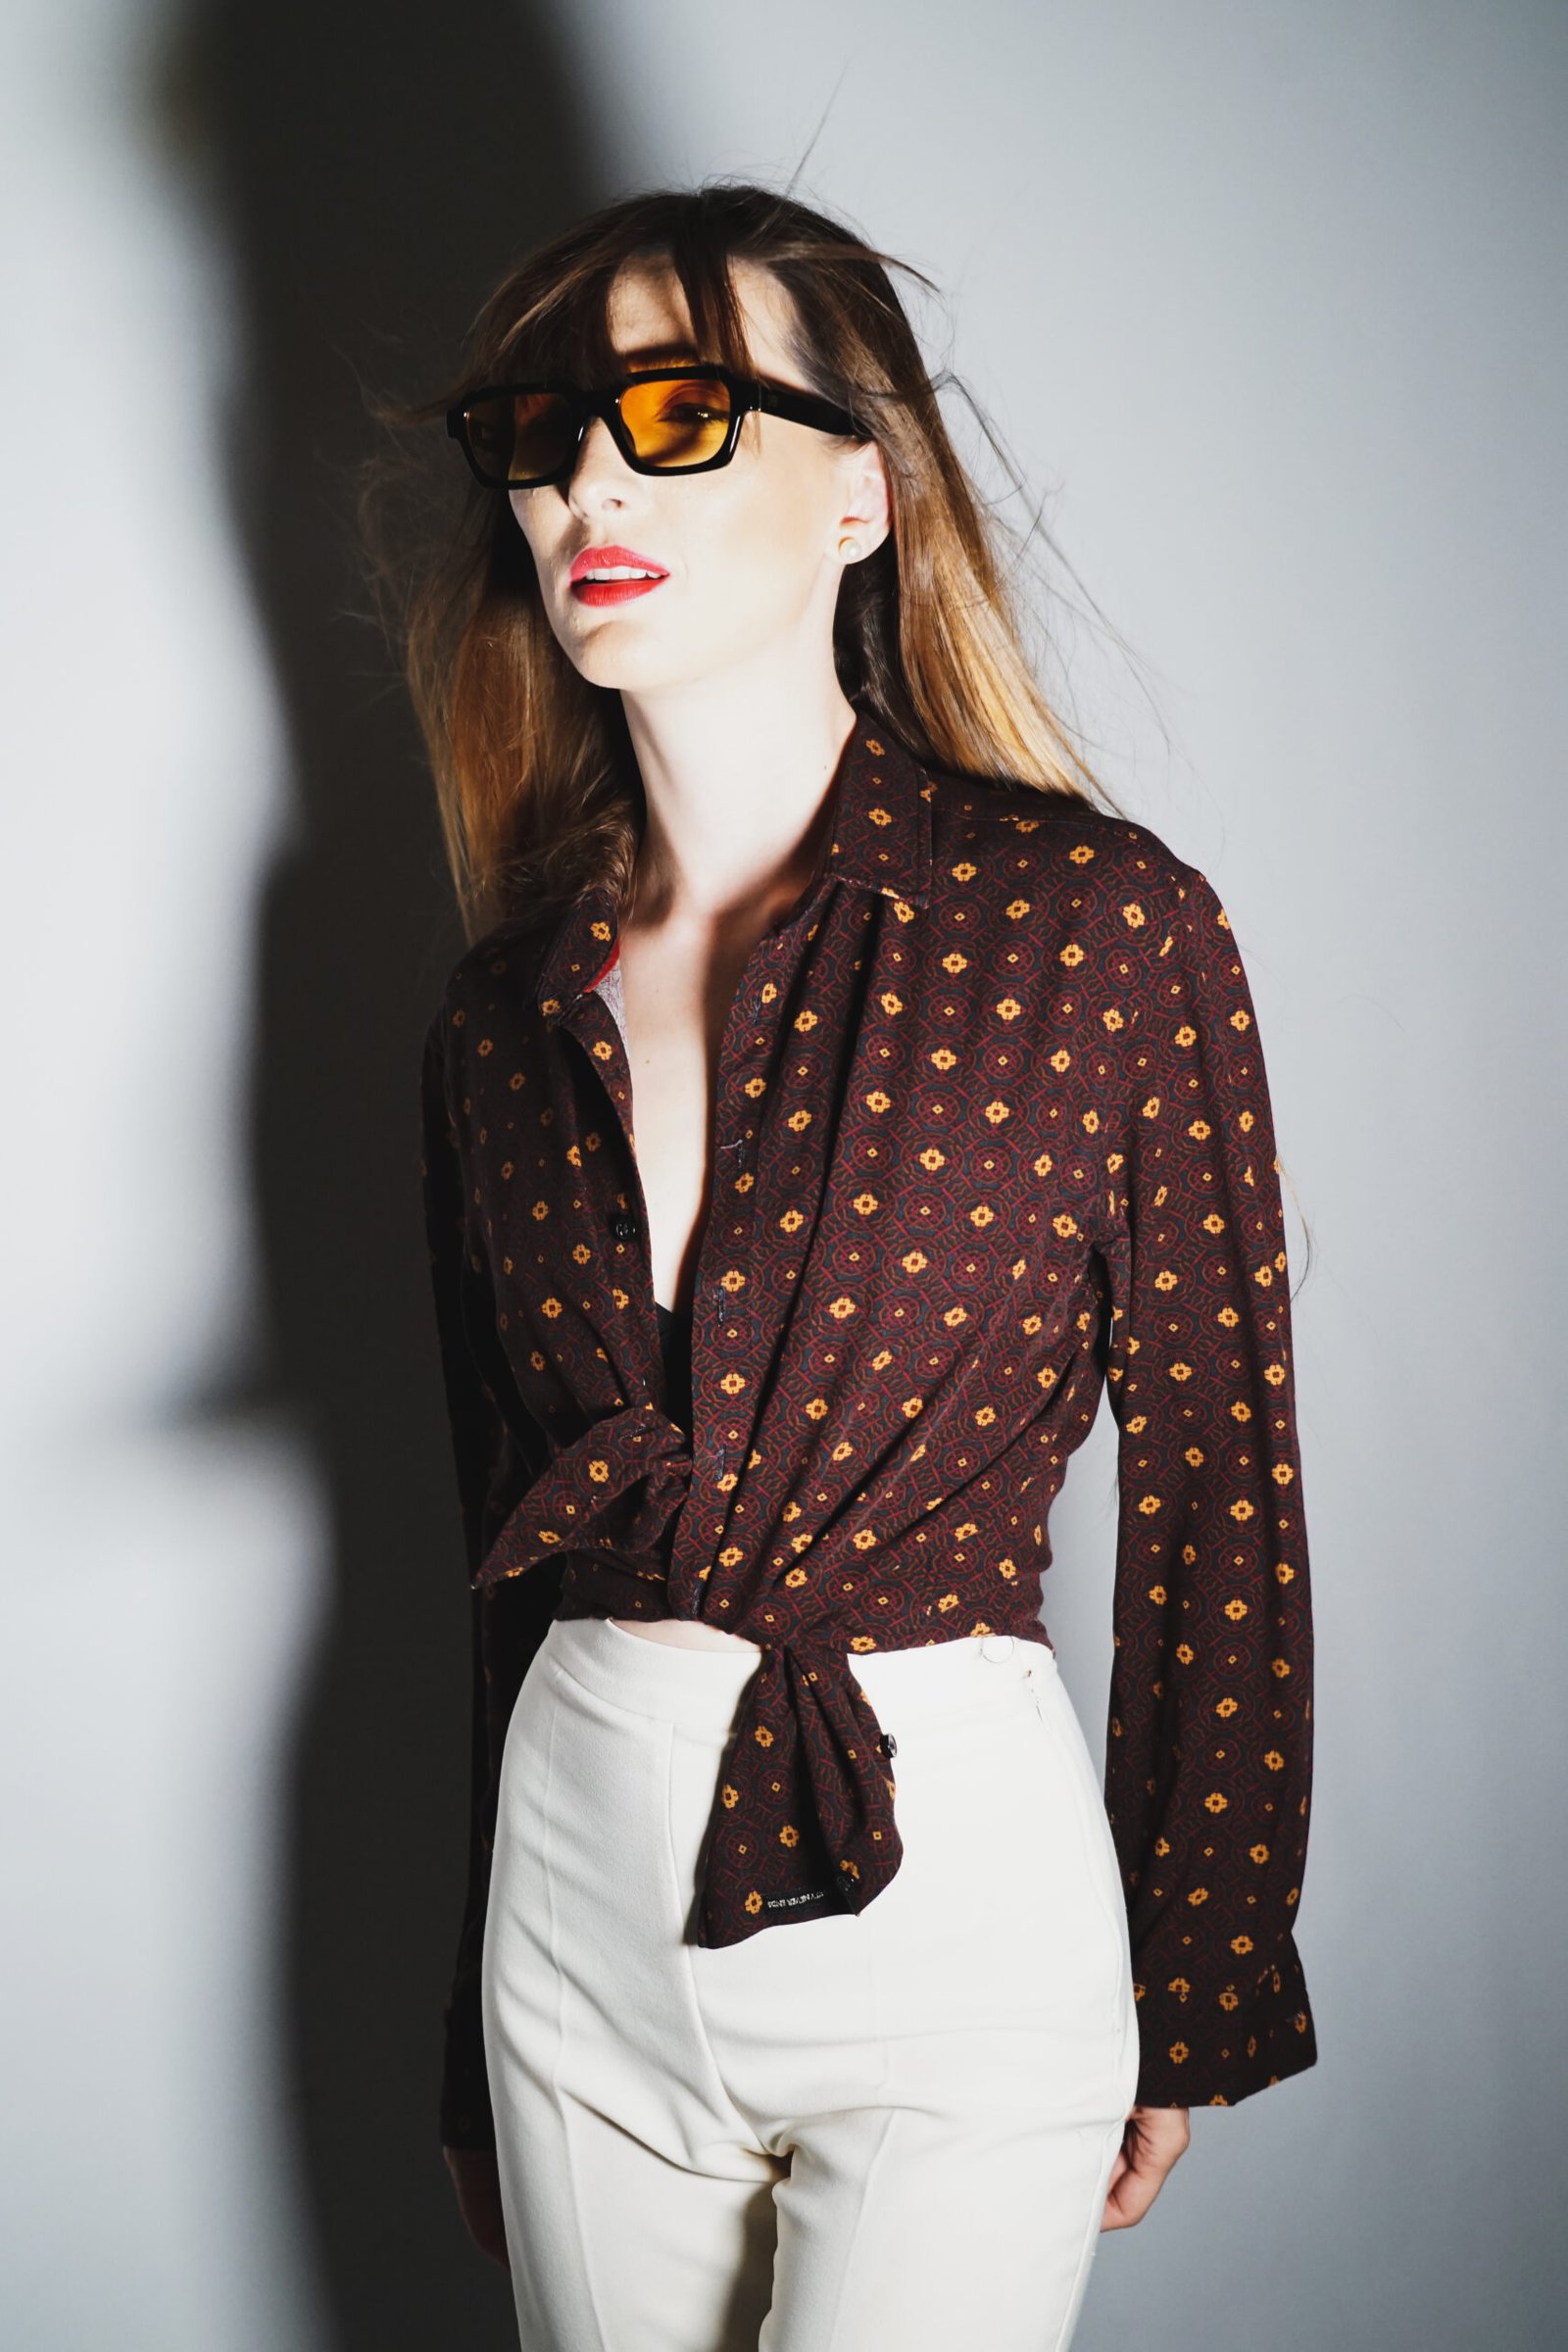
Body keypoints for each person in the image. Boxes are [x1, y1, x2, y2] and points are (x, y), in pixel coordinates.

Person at [377, 180, 1316, 2350]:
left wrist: (1193, 1976)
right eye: (546, 431)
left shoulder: (1097, 932)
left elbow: (1218, 1484)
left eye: (678, 413)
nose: (592, 481)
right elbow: (497, 1558)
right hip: (574, 1905)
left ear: (862, 495)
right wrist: (461, 2033)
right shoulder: (497, 1020)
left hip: (952, 1903)